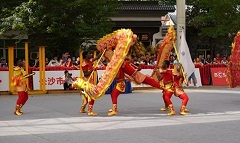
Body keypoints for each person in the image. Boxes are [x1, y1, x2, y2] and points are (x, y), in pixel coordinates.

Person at [80, 50, 101, 116]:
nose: (91, 54)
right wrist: (93, 70)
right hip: (87, 82)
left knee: (87, 97)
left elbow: (97, 57)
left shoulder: (90, 61)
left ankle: (82, 109)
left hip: (91, 81)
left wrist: (103, 50)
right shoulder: (84, 64)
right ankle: (90, 111)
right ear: (86, 55)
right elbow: (86, 74)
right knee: (92, 96)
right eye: (89, 53)